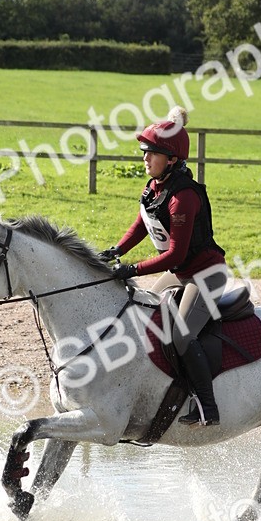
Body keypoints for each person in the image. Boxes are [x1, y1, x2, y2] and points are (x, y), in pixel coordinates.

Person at [101, 106, 228, 427]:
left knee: (182, 336)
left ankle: (207, 407)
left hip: (205, 275)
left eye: (152, 153)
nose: (145, 158)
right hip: (180, 273)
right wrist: (115, 250)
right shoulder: (155, 188)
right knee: (143, 317)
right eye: (144, 152)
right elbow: (142, 225)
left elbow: (174, 255)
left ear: (171, 159)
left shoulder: (183, 197)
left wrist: (132, 269)